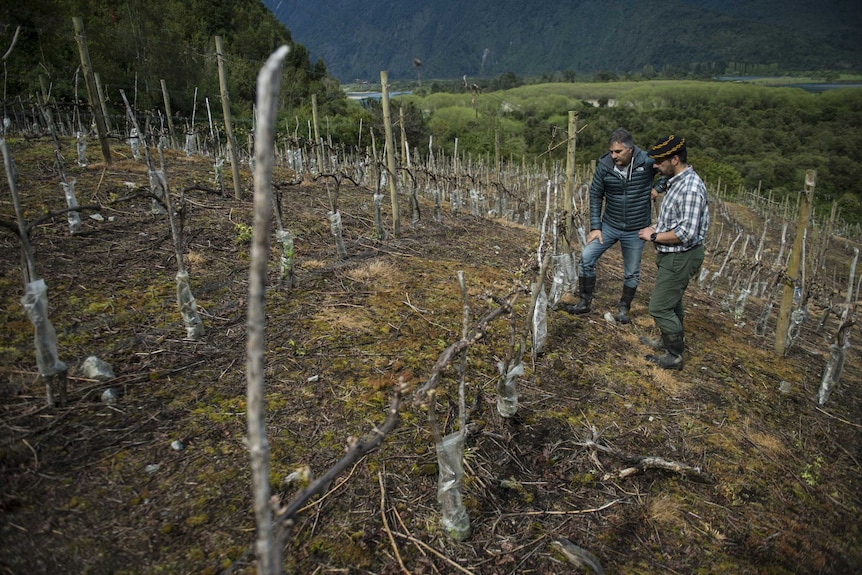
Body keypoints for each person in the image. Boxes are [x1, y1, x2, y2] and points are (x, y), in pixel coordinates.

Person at [560, 128, 661, 323]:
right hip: (609, 225)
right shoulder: (604, 166)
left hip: (636, 229)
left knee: (631, 272)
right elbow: (595, 195)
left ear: (630, 150)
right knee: (586, 258)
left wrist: (659, 187)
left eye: (618, 152)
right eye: (611, 151)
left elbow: (669, 170)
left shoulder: (647, 162)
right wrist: (596, 227)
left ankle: (624, 309)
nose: (613, 156)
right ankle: (584, 302)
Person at [637, 135, 710, 370]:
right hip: (672, 254)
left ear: (675, 159)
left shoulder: (690, 188)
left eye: (659, 161)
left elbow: (686, 232)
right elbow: (675, 221)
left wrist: (654, 236)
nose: (655, 166)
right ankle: (668, 341)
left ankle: (675, 355)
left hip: (681, 254)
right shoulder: (676, 181)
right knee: (672, 302)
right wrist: (656, 227)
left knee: (659, 307)